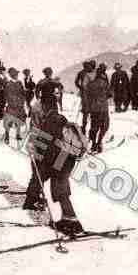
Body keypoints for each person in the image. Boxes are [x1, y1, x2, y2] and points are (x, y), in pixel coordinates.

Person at [24, 100, 87, 236]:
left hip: (61, 159)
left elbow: (46, 145)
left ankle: (74, 223)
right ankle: (66, 219)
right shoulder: (62, 119)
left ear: (45, 109)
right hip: (67, 158)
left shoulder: (49, 122)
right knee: (60, 189)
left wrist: (32, 148)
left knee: (60, 190)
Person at [87, 63, 110, 153]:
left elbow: (87, 96)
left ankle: (93, 145)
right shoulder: (105, 83)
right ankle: (99, 143)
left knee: (94, 127)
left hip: (94, 109)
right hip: (103, 108)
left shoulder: (91, 84)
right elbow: (109, 94)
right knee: (104, 126)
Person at [3, 67, 27, 144]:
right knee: (8, 121)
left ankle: (18, 134)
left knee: (19, 120)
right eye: (15, 74)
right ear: (11, 75)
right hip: (11, 105)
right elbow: (6, 95)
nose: (16, 75)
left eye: (16, 74)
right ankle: (7, 136)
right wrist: (12, 101)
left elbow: (23, 93)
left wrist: (22, 101)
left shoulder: (19, 83)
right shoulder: (8, 84)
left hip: (19, 105)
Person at [79, 61, 95, 135]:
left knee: (86, 113)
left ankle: (85, 129)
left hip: (87, 94)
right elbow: (78, 82)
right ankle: (85, 129)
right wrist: (82, 88)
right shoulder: (83, 73)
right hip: (86, 95)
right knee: (87, 113)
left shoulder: (89, 73)